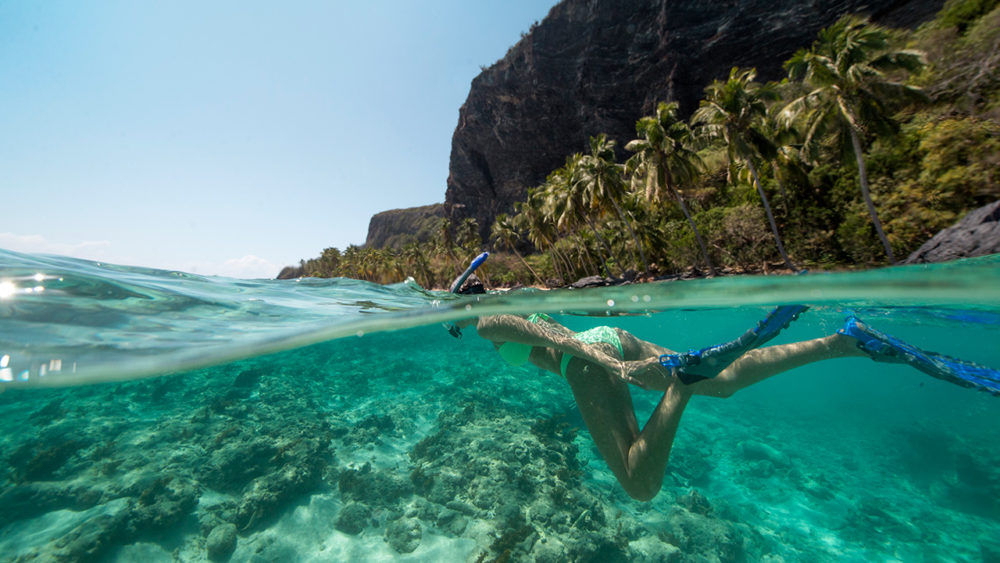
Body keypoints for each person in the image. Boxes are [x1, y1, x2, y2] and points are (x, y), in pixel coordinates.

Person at [450, 275, 1000, 502]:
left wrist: (602, 363)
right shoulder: (520, 290)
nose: (458, 325)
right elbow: (573, 312)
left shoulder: (485, 321)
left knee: (640, 483)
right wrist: (610, 338)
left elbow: (550, 332)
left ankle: (682, 386)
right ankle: (843, 341)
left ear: (464, 301)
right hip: (608, 337)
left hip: (590, 361)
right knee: (727, 382)